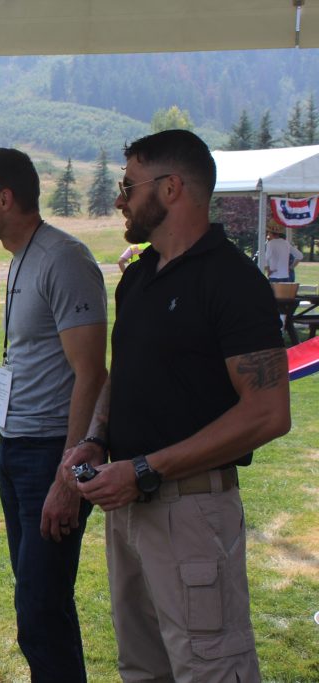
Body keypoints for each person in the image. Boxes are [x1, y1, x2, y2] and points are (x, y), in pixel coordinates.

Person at [68, 129, 290, 682]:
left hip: (192, 514)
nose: (119, 199)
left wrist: (145, 469)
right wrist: (97, 438)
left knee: (211, 669)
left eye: (127, 186)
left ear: (170, 188)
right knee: (142, 670)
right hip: (127, 510)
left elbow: (268, 412)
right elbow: (128, 374)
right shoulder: (138, 277)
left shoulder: (232, 281)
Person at [0, 148, 108, 682]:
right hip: (17, 449)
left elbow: (92, 373)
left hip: (51, 454)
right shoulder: (22, 256)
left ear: (6, 198)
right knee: (41, 605)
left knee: (40, 612)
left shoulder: (63, 259)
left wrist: (69, 473)